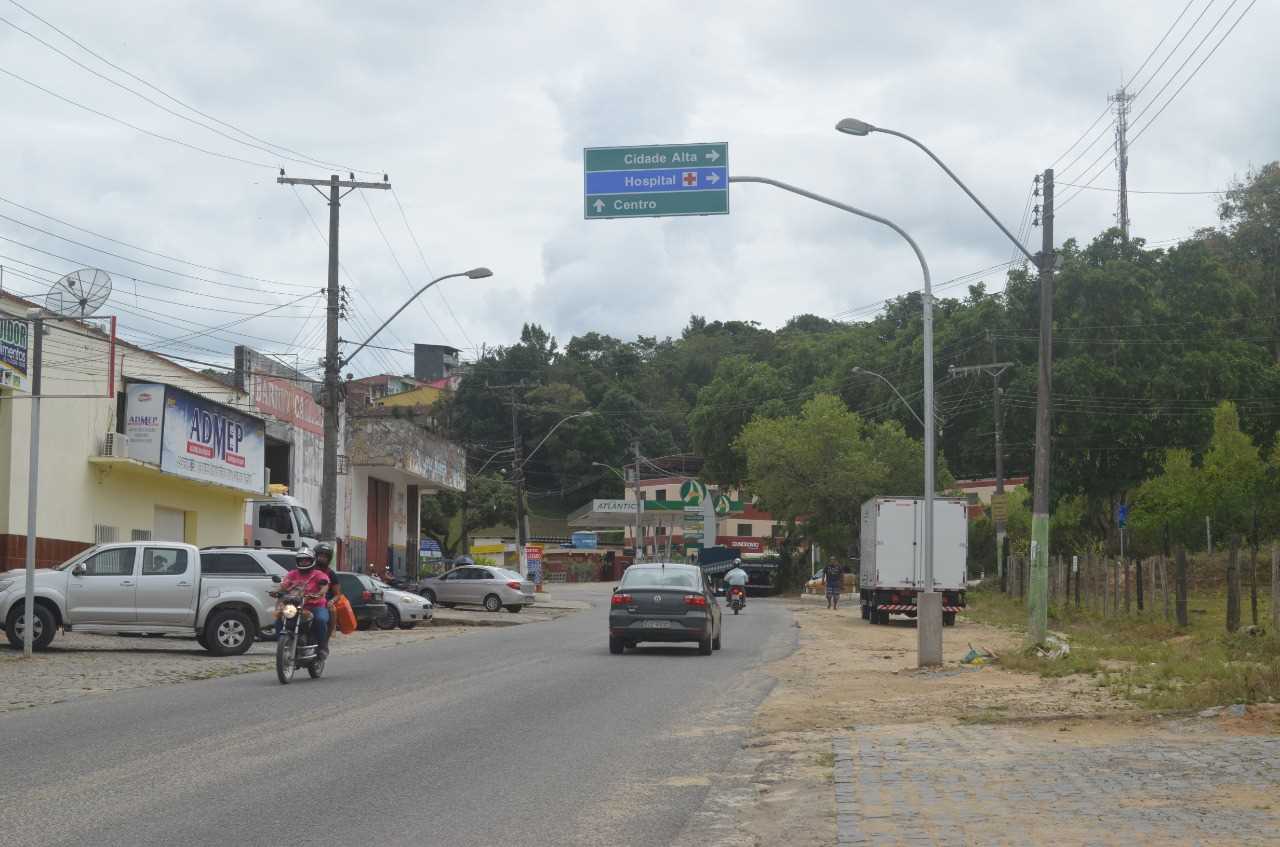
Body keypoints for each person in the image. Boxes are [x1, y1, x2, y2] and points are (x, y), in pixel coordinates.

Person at [279, 546, 331, 658]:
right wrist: (278, 591)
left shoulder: (319, 574)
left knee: (320, 620)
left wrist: (319, 593)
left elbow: (324, 586)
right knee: (278, 619)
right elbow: (284, 585)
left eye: (306, 560)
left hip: (315, 606)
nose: (303, 562)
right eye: (301, 560)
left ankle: (322, 647)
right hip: (295, 605)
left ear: (312, 561)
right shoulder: (292, 574)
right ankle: (283, 645)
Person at [313, 542, 340, 641]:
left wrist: (331, 601)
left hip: (324, 600)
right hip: (308, 598)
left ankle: (332, 629)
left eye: (325, 556)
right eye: (320, 555)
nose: (322, 558)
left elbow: (337, 594)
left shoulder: (331, 573)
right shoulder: (308, 570)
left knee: (332, 608)